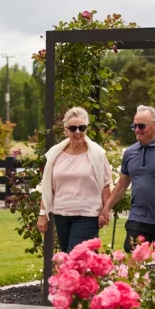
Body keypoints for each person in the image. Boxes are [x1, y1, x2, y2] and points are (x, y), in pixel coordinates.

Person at [100, 105, 155, 251]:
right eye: (134, 126)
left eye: (141, 126)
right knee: (132, 255)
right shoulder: (130, 153)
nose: (137, 129)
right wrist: (107, 207)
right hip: (138, 217)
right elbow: (121, 185)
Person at [36, 106, 114, 254]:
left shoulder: (97, 154)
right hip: (62, 214)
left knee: (75, 257)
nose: (77, 132)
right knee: (69, 260)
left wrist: (105, 210)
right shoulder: (55, 155)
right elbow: (48, 187)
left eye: (81, 127)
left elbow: (105, 185)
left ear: (86, 128)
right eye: (73, 128)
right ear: (66, 130)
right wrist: (42, 214)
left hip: (88, 215)